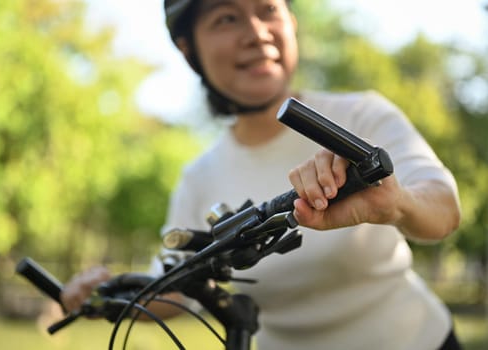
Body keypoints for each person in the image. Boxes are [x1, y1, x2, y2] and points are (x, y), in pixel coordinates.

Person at [61, 1, 462, 349]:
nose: (255, 31)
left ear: (292, 22)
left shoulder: (362, 115)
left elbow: (442, 206)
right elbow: (177, 288)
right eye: (225, 18)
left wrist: (398, 205)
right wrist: (107, 294)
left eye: (268, 9)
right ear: (188, 50)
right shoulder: (199, 177)